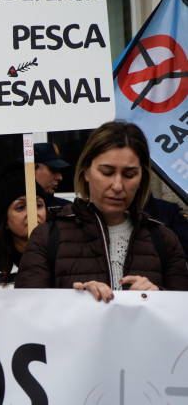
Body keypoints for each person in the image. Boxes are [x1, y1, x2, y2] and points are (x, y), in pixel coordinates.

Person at [16, 121, 188, 300]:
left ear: (141, 178)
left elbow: (182, 317)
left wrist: (159, 296)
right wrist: (73, 301)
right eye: (107, 172)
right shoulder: (47, 236)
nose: (117, 185)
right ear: (86, 171)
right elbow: (26, 315)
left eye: (129, 175)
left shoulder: (164, 239)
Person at [0, 142, 72, 254]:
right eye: (53, 170)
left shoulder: (65, 207)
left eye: (39, 206)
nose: (59, 177)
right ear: (31, 168)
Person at [0, 171, 47, 289]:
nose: (32, 213)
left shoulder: (62, 262)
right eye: (20, 207)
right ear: (6, 221)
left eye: (38, 205)